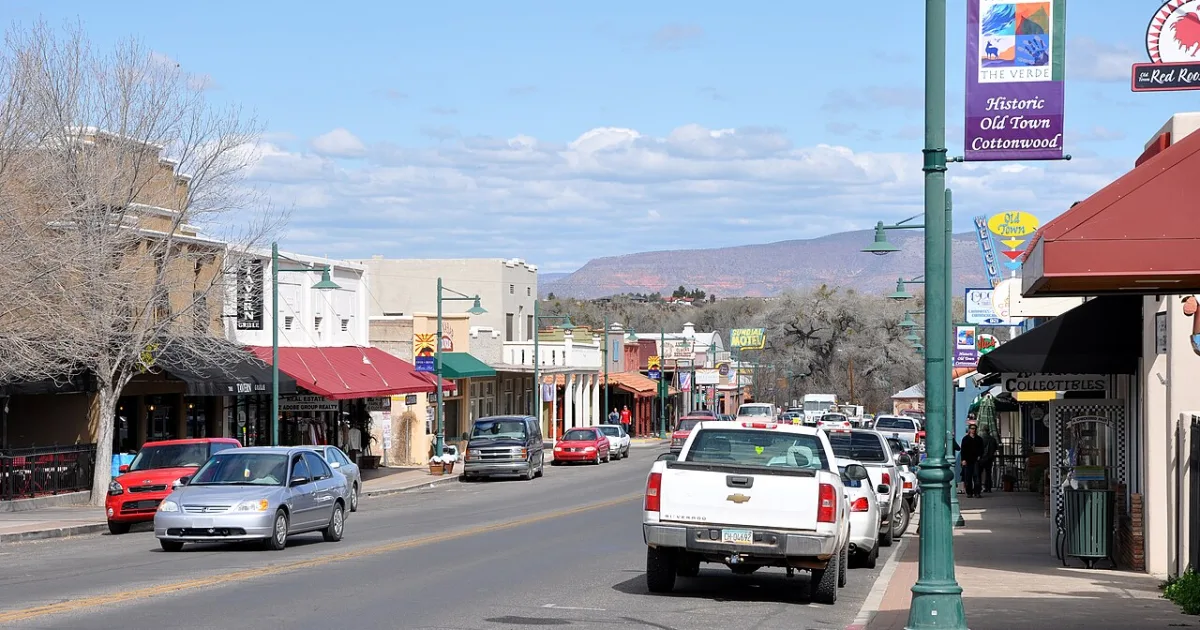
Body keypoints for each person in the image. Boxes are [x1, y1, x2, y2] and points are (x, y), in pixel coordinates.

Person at [959, 423, 985, 498]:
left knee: (977, 476)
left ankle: (977, 492)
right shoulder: (965, 439)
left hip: (976, 460)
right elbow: (963, 450)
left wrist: (980, 456)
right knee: (968, 477)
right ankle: (969, 492)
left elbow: (982, 449)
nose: (973, 430)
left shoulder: (979, 439)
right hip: (967, 460)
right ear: (969, 429)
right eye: (972, 428)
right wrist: (963, 460)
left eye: (974, 428)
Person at [980, 425, 999, 493]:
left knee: (980, 473)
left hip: (982, 458)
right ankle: (988, 487)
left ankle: (980, 487)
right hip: (990, 458)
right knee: (988, 473)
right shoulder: (992, 439)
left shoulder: (981, 439)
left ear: (983, 431)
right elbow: (996, 448)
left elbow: (979, 448)